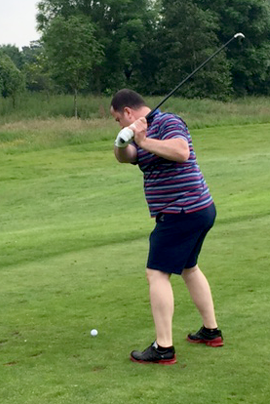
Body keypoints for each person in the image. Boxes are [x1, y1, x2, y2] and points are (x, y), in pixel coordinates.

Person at [110, 89, 223, 365]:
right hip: (195, 209)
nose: (118, 123)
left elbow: (181, 152)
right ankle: (211, 332)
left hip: (182, 210)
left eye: (117, 120)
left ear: (127, 111)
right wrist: (122, 141)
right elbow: (126, 156)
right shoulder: (137, 131)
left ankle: (163, 348)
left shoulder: (168, 122)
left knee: (156, 273)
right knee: (189, 268)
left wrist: (143, 140)